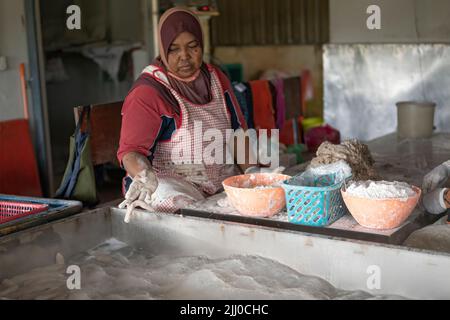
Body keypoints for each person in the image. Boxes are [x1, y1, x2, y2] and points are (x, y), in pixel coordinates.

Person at [117, 8, 278, 222]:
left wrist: (252, 173)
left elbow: (238, 132)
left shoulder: (215, 77)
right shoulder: (149, 92)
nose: (184, 56)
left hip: (219, 178)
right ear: (163, 50)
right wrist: (144, 175)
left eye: (193, 47)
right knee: (188, 214)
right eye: (174, 49)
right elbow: (131, 152)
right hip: (171, 184)